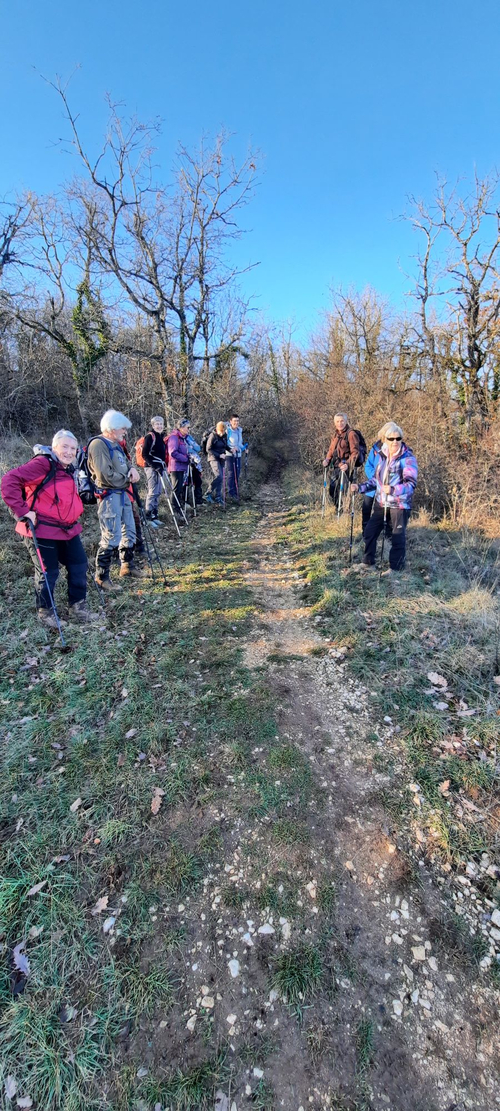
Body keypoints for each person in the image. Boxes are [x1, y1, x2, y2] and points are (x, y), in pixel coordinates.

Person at [1, 430, 97, 626]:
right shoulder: (43, 464)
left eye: (73, 448)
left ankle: (78, 607)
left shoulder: (70, 467)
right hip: (41, 528)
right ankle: (46, 612)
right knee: (48, 572)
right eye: (65, 447)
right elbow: (9, 481)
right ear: (54, 448)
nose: (69, 452)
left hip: (67, 528)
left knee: (79, 565)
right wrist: (22, 511)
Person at [351, 422, 418, 573]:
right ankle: (368, 563)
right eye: (391, 438)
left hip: (399, 505)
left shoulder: (407, 458)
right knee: (369, 531)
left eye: (398, 438)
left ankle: (396, 569)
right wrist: (360, 487)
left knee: (397, 537)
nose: (395, 441)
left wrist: (393, 489)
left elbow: (411, 485)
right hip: (382, 503)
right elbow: (376, 481)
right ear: (385, 439)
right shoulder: (381, 456)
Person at [87, 410, 143, 589]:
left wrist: (132, 469)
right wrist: (127, 478)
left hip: (123, 493)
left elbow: (125, 464)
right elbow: (105, 475)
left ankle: (127, 566)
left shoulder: (117, 445)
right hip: (109, 495)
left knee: (129, 530)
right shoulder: (98, 444)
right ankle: (102, 577)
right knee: (112, 535)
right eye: (122, 428)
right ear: (111, 428)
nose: (125, 432)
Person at [323, 413, 361, 503]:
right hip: (336, 466)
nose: (340, 423)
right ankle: (337, 507)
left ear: (346, 421)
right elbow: (331, 449)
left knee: (342, 491)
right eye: (337, 421)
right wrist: (327, 459)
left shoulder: (351, 434)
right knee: (332, 489)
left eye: (342, 421)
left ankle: (343, 511)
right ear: (335, 423)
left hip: (346, 467)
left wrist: (347, 464)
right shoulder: (335, 434)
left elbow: (355, 453)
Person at [142, 415, 167, 526]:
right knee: (152, 492)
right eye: (157, 424)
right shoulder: (150, 437)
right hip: (151, 468)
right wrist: (153, 466)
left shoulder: (160, 437)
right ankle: (147, 517)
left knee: (158, 492)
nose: (159, 426)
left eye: (161, 424)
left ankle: (154, 515)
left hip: (160, 467)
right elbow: (145, 454)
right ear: (153, 425)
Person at [166, 418, 190, 521]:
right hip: (175, 467)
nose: (189, 429)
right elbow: (173, 452)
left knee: (179, 488)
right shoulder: (174, 437)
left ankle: (178, 508)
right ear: (181, 427)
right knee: (176, 489)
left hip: (181, 466)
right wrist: (185, 459)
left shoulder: (182, 438)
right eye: (187, 427)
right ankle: (175, 510)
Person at [205, 422, 230, 505]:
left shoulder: (224, 435)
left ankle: (218, 497)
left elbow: (225, 445)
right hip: (213, 458)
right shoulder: (212, 436)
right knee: (219, 476)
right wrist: (219, 455)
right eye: (221, 431)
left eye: (224, 431)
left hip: (222, 459)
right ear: (218, 429)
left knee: (221, 478)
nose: (222, 433)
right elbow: (208, 449)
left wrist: (230, 450)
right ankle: (208, 493)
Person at [225, 413, 244, 501]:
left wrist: (242, 448)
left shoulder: (239, 430)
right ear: (230, 421)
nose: (236, 423)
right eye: (234, 421)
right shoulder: (227, 431)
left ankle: (236, 492)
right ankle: (230, 492)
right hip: (229, 455)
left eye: (237, 421)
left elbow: (240, 444)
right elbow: (225, 443)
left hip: (238, 455)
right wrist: (232, 449)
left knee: (237, 472)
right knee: (231, 473)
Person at [185, 429, 204, 507]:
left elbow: (198, 448)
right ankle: (185, 502)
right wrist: (191, 447)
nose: (187, 430)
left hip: (195, 463)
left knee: (198, 481)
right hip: (186, 462)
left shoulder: (190, 437)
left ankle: (198, 501)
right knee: (186, 482)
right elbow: (187, 449)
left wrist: (192, 446)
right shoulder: (180, 439)